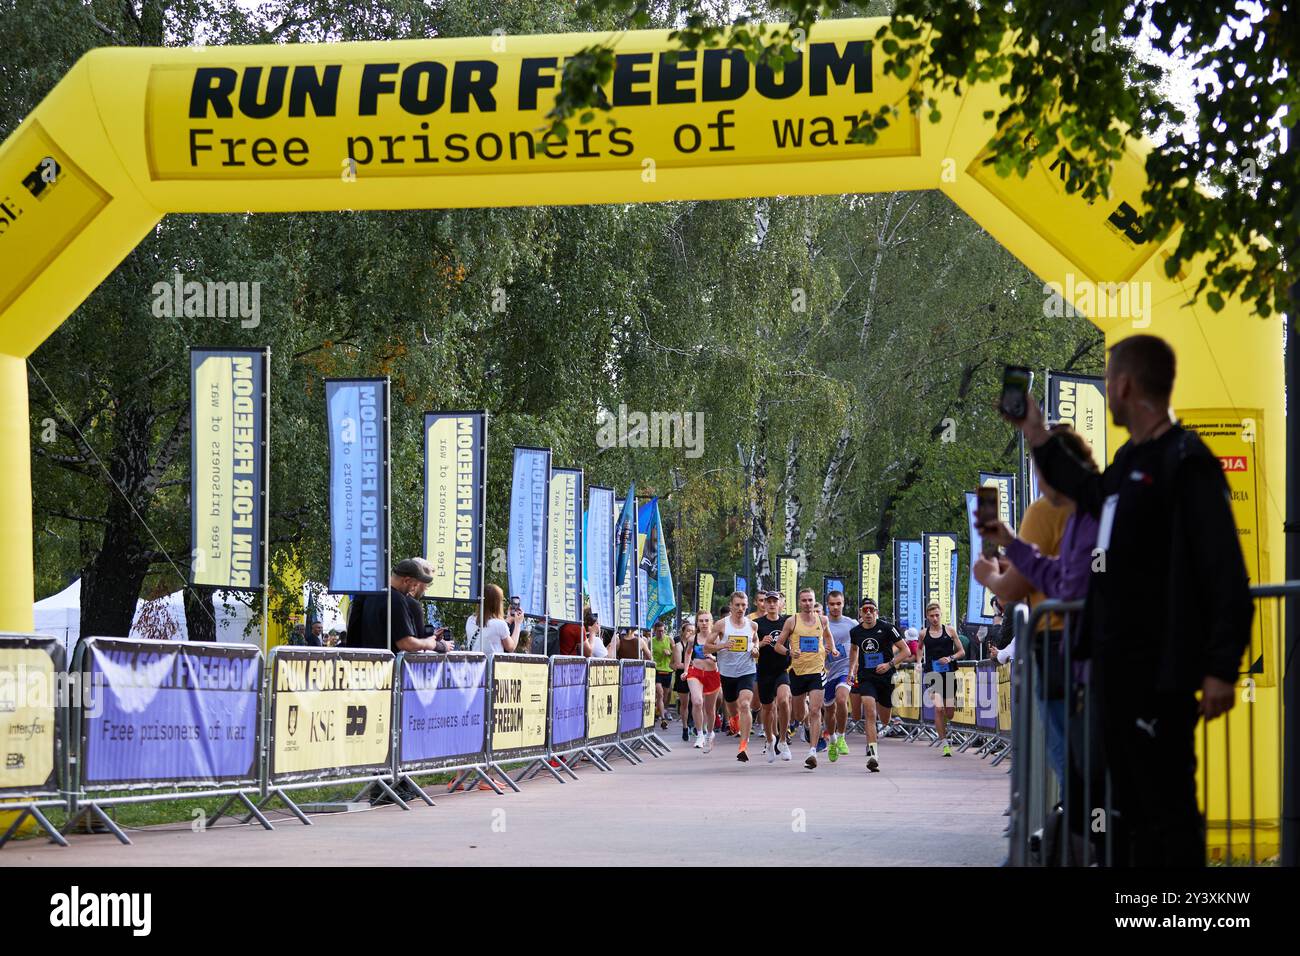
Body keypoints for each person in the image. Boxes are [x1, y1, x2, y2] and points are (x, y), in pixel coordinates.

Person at [1010, 334, 1253, 866]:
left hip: (1158, 674)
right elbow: (1085, 488)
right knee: (1114, 811)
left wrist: (1220, 667)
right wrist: (1036, 433)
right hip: (1107, 673)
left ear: (1123, 385)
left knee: (1165, 811)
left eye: (1109, 381)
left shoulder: (1186, 461)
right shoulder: (1128, 462)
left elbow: (1224, 570)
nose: (1109, 395)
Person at [975, 424, 1100, 787]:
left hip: (1060, 643)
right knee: (1085, 755)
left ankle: (1081, 832)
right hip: (1087, 641)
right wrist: (1013, 552)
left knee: (1070, 757)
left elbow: (1019, 586)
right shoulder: (1095, 507)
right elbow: (1056, 572)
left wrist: (991, 578)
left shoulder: (1046, 511)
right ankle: (1083, 829)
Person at [777, 587, 838, 769]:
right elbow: (778, 645)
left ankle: (812, 751)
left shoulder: (822, 619)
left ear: (814, 601)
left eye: (810, 600)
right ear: (799, 602)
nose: (807, 604)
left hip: (816, 671)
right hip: (797, 672)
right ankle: (803, 725)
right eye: (804, 600)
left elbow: (828, 636)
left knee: (815, 710)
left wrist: (832, 648)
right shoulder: (791, 621)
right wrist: (789, 652)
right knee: (798, 713)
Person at [849, 597, 911, 771]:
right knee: (869, 711)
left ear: (876, 612)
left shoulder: (887, 628)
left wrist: (889, 664)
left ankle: (884, 724)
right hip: (866, 676)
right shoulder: (855, 632)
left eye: (871, 610)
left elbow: (906, 650)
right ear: (860, 613)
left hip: (885, 677)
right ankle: (873, 754)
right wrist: (852, 669)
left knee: (884, 719)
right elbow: (854, 650)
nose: (868, 613)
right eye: (865, 610)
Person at [707, 591, 760, 763]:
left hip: (747, 671)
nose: (740, 608)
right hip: (727, 673)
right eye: (737, 605)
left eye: (743, 605)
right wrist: (722, 645)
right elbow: (706, 648)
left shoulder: (752, 626)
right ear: (731, 605)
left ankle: (743, 745)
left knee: (745, 704)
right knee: (732, 707)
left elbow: (756, 641)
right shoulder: (721, 625)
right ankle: (734, 719)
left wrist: (755, 649)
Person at [355, 558, 442, 653]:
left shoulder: (371, 593)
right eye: (414, 585)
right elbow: (406, 643)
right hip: (388, 664)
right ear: (406, 580)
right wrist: (431, 643)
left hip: (367, 661)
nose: (413, 589)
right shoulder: (397, 599)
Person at [918, 601, 963, 757]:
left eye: (937, 615)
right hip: (932, 674)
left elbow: (961, 651)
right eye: (932, 616)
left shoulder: (950, 630)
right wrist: (918, 663)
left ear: (941, 614)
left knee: (949, 712)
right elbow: (918, 649)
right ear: (927, 617)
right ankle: (944, 743)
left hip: (949, 673)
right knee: (938, 708)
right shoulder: (923, 633)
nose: (935, 618)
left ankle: (945, 725)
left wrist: (950, 658)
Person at [754, 590, 792, 762]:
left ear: (780, 604)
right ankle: (770, 740)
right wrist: (761, 644)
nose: (771, 604)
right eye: (768, 601)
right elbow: (751, 649)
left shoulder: (787, 622)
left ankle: (783, 740)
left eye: (774, 601)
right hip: (764, 671)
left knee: (784, 700)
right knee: (768, 709)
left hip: (782, 670)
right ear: (763, 604)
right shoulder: (756, 624)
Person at [819, 590, 855, 761]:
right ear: (827, 605)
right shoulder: (821, 624)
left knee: (841, 699)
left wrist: (855, 668)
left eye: (838, 603)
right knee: (829, 709)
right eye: (832, 604)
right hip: (826, 672)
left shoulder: (851, 624)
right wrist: (822, 650)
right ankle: (832, 739)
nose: (835, 607)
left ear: (843, 603)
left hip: (845, 670)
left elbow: (859, 645)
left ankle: (841, 737)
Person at [684, 611, 722, 752]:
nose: (704, 624)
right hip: (696, 672)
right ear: (697, 623)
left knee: (710, 709)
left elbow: (724, 657)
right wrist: (686, 670)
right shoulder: (692, 639)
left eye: (707, 620)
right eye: (701, 621)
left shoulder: (718, 639)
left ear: (712, 622)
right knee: (697, 701)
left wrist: (713, 658)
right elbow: (688, 653)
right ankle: (699, 734)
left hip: (712, 674)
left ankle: (709, 733)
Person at [469, 583, 524, 657]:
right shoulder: (499, 624)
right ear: (497, 604)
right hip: (492, 667)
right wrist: (518, 624)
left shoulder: (470, 620)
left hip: (476, 666)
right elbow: (511, 647)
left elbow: (493, 630)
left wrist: (508, 620)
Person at [650, 619, 674, 729]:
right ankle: (663, 719)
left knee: (664, 696)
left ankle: (658, 711)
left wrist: (670, 653)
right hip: (657, 670)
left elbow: (676, 654)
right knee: (659, 694)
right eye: (659, 631)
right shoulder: (651, 641)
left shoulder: (669, 639)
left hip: (667, 670)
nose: (661, 633)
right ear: (655, 631)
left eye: (663, 631)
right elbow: (648, 655)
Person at [672, 622, 694, 740]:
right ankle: (685, 727)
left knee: (696, 702)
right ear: (683, 632)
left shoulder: (697, 644)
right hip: (683, 677)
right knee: (685, 703)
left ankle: (695, 725)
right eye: (688, 630)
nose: (690, 633)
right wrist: (691, 664)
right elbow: (678, 664)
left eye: (692, 631)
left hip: (695, 676)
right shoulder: (678, 646)